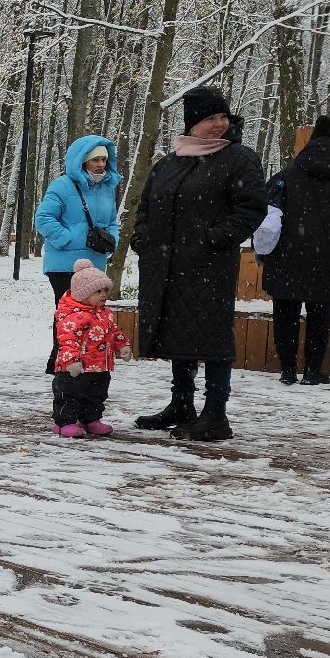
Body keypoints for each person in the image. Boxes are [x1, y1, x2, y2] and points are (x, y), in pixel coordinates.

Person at [130, 86, 268, 441]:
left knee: (213, 337)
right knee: (180, 332)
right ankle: (181, 404)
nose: (219, 124)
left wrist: (215, 239)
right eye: (211, 118)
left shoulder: (238, 158)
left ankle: (216, 414)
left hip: (209, 266)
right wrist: (142, 240)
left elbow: (251, 207)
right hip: (165, 265)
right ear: (193, 122)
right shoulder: (169, 163)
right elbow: (145, 207)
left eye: (223, 117)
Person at [265, 116, 330, 385]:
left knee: (286, 311)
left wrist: (263, 253)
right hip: (329, 254)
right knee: (320, 313)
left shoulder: (287, 175)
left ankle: (287, 369)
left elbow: (269, 214)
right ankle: (312, 370)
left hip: (287, 252)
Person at [34, 136, 121, 373]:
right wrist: (68, 240)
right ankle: (61, 361)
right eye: (95, 160)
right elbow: (43, 219)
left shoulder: (107, 188)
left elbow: (112, 222)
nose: (101, 164)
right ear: (82, 161)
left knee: (92, 314)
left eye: (104, 159)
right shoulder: (62, 186)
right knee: (69, 315)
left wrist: (113, 240)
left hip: (95, 262)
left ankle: (87, 359)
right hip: (64, 264)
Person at [51, 259, 133, 437]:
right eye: (98, 291)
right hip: (75, 368)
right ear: (82, 294)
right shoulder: (74, 316)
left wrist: (122, 344)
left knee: (96, 395)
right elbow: (67, 339)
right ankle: (64, 422)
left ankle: (91, 419)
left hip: (100, 366)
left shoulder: (105, 313)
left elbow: (113, 332)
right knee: (69, 395)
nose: (104, 295)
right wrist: (71, 361)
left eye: (105, 290)